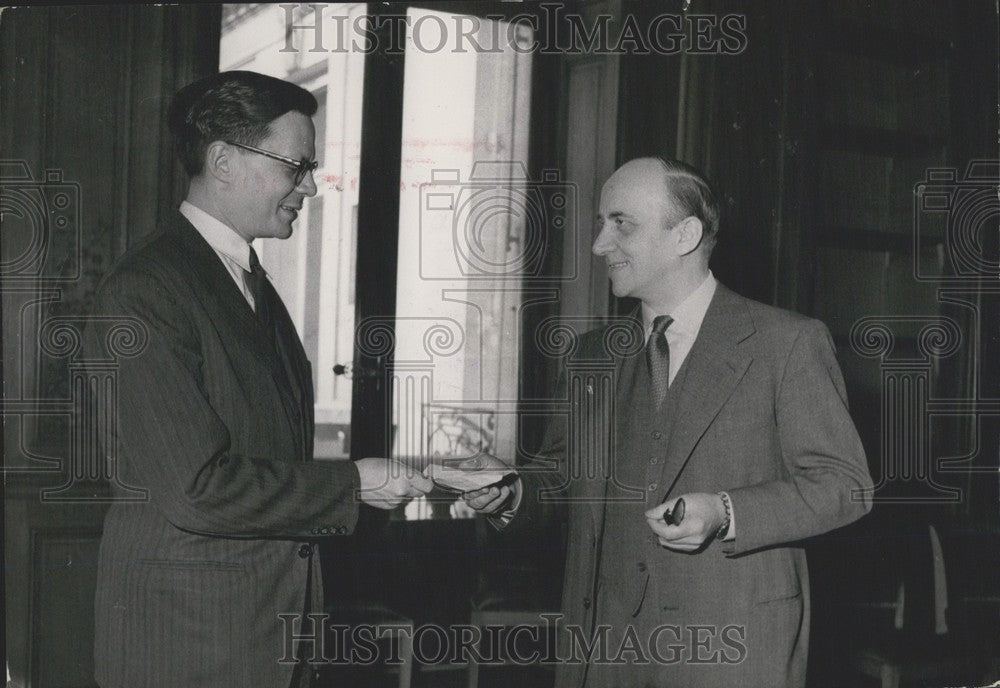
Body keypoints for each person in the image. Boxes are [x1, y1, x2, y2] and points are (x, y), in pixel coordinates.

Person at [463, 157, 874, 687]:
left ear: (685, 234)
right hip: (604, 650)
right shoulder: (593, 357)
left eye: (621, 224)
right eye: (600, 224)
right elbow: (566, 482)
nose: (598, 245)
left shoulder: (785, 343)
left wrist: (726, 511)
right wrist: (513, 489)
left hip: (731, 648)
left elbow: (845, 487)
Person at [84, 71, 432, 688]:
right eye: (295, 166)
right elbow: (197, 486)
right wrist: (355, 482)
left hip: (265, 632)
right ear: (222, 161)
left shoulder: (245, 282)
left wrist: (382, 485)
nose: (311, 186)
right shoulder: (146, 290)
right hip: (189, 645)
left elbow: (267, 457)